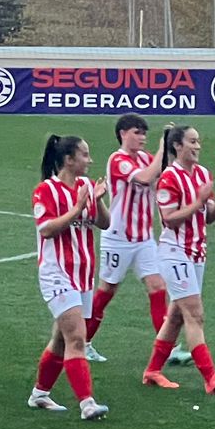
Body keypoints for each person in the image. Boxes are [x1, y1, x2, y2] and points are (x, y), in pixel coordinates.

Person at [141, 125, 215, 395]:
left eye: (198, 141)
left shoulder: (203, 174)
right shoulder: (168, 178)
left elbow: (207, 217)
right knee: (195, 314)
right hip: (175, 252)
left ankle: (152, 370)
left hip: (196, 253)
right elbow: (169, 219)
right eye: (192, 142)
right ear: (177, 147)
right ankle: (211, 378)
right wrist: (198, 202)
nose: (198, 146)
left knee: (175, 316)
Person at [24, 134, 110, 420]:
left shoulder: (85, 186)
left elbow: (105, 224)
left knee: (61, 340)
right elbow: (46, 229)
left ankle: (39, 394)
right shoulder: (46, 190)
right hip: (57, 273)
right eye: (85, 155)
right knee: (76, 337)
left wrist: (98, 202)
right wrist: (76, 208)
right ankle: (87, 403)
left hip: (83, 274)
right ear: (69, 160)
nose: (90, 160)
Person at [84, 113, 167, 362]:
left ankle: (166, 345)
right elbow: (144, 178)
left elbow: (159, 180)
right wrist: (164, 147)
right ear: (123, 134)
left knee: (157, 286)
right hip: (118, 238)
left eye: (144, 133)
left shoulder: (145, 158)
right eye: (136, 132)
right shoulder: (118, 160)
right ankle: (84, 341)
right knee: (107, 290)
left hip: (144, 238)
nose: (142, 137)